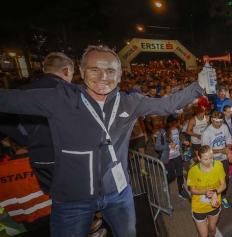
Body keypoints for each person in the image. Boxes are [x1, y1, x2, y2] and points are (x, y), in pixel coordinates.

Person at [0, 45, 204, 236]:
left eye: (110, 70)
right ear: (81, 70)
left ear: (120, 74)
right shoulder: (61, 99)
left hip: (118, 193)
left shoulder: (130, 102)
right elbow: (9, 100)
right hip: (73, 199)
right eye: (94, 69)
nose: (103, 77)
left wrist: (198, 86)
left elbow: (166, 105)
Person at [0, 52, 74, 194]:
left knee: (55, 199)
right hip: (70, 159)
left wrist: (27, 140)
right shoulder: (71, 93)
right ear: (66, 71)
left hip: (41, 160)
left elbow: (5, 121)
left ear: (46, 70)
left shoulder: (22, 92)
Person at [187, 145, 226, 237]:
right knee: (204, 235)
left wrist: (215, 193)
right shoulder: (193, 171)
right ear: (199, 158)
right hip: (199, 208)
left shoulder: (218, 166)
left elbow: (223, 185)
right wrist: (205, 192)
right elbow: (192, 190)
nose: (209, 161)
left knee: (212, 229)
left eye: (211, 158)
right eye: (205, 159)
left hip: (214, 205)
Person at [201, 110, 232, 208]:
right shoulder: (207, 133)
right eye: (216, 122)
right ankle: (212, 196)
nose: (219, 124)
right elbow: (206, 150)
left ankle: (223, 196)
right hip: (211, 160)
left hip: (223, 159)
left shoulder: (224, 127)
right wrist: (222, 150)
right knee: (213, 180)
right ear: (211, 120)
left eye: (220, 121)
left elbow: (228, 141)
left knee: (226, 178)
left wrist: (228, 151)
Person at [155, 116, 190, 199]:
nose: (178, 124)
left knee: (180, 174)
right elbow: (157, 146)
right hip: (168, 158)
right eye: (176, 122)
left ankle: (181, 191)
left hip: (177, 155)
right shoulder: (162, 132)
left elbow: (179, 139)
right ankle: (166, 182)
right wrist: (168, 145)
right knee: (172, 175)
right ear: (172, 123)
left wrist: (183, 141)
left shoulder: (178, 130)